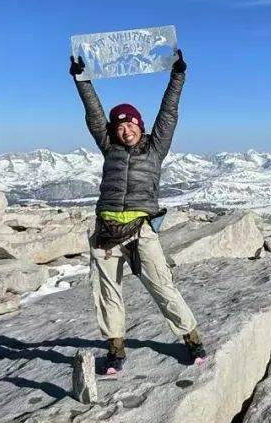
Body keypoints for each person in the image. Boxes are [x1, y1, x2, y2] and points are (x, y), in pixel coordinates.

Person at [70, 47, 206, 375]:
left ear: (140, 126)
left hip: (142, 230)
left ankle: (192, 339)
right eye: (119, 126)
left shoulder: (156, 147)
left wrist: (177, 75)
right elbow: (93, 113)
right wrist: (81, 79)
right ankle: (115, 350)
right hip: (106, 231)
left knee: (162, 286)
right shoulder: (109, 147)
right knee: (107, 293)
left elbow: (168, 112)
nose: (125, 130)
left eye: (130, 124)